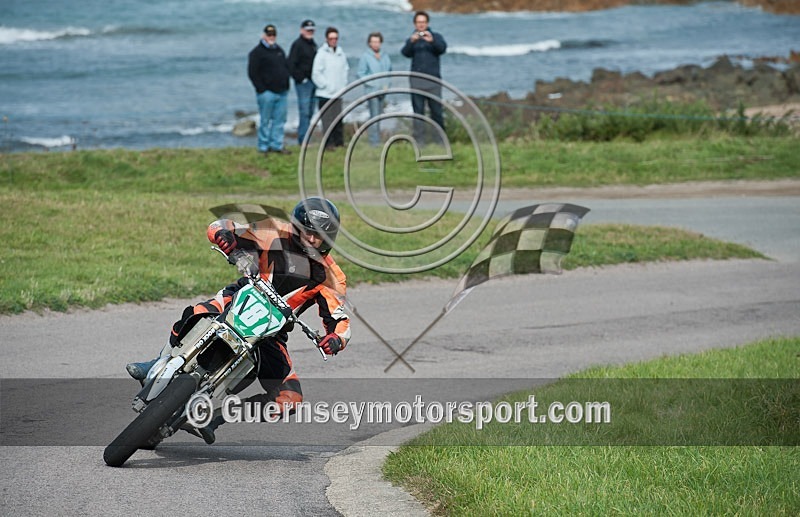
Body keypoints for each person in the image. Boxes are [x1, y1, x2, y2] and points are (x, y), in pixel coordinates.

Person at [126, 197, 351, 444]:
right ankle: (158, 362)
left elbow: (339, 319)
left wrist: (335, 340)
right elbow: (221, 226)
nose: (311, 239)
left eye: (319, 235)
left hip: (272, 332)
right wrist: (225, 236)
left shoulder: (332, 276)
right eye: (307, 232)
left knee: (290, 398)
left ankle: (215, 418)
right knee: (196, 312)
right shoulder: (272, 231)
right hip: (240, 298)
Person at [400, 11, 447, 143]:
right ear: (415, 24)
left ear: (427, 23)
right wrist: (411, 42)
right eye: (418, 22)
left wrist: (432, 41)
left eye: (423, 22)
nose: (421, 25)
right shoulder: (412, 39)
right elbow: (405, 53)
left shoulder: (436, 36)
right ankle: (420, 142)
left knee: (437, 113)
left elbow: (442, 49)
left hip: (434, 82)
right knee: (418, 114)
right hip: (416, 82)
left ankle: (440, 141)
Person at [248, 24, 291, 155]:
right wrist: (261, 89)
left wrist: (286, 84)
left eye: (273, 35)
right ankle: (263, 147)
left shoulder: (279, 50)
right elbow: (252, 72)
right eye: (269, 35)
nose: (271, 37)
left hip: (282, 92)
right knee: (265, 121)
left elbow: (286, 67)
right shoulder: (257, 52)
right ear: (264, 35)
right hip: (267, 93)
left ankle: (276, 145)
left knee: (279, 121)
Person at [311, 27, 349, 149]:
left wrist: (343, 84)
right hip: (324, 93)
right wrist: (325, 85)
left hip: (338, 92)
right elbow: (316, 73)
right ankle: (328, 144)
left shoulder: (340, 53)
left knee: (338, 119)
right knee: (327, 121)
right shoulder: (321, 54)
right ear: (326, 39)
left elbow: (345, 69)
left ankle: (339, 142)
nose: (333, 40)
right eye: (331, 38)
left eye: (336, 38)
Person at [357, 32, 392, 147]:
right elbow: (361, 74)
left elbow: (389, 71)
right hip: (371, 91)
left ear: (380, 42)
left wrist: (387, 84)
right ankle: (374, 143)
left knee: (379, 116)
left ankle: (377, 141)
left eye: (377, 41)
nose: (375, 44)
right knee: (374, 117)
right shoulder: (365, 56)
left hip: (383, 91)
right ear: (369, 43)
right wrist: (373, 83)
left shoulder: (385, 55)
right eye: (373, 42)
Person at [288, 19, 318, 145]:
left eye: (311, 30)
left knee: (310, 111)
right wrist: (300, 78)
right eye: (307, 30)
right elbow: (290, 64)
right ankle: (303, 140)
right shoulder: (297, 44)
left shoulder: (313, 44)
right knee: (304, 111)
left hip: (314, 82)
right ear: (302, 30)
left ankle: (306, 138)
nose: (309, 32)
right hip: (303, 84)